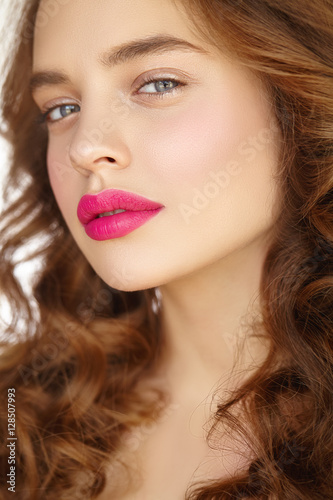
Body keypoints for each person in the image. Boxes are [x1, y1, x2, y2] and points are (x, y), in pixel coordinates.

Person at [0, 0, 332, 498]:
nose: (84, 148)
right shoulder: (15, 418)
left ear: (297, 96)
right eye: (62, 108)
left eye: (158, 84)